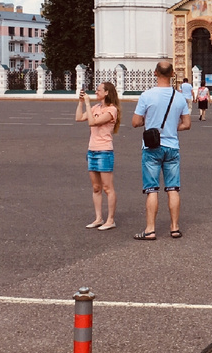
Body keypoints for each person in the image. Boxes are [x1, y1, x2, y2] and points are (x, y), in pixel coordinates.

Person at [131, 61, 191, 240]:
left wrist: (150, 125)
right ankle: (174, 227)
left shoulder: (146, 95)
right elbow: (187, 124)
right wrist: (171, 128)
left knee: (152, 189)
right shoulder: (179, 97)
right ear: (173, 74)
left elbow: (135, 122)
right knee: (173, 188)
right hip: (172, 146)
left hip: (151, 148)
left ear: (155, 73)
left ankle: (150, 229)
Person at [76, 81, 120, 231]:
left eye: (99, 90)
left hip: (104, 151)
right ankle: (98, 218)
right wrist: (81, 103)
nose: (96, 92)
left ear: (107, 92)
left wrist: (88, 104)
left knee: (108, 187)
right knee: (96, 187)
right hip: (92, 150)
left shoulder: (111, 110)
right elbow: (78, 118)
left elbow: (93, 122)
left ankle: (110, 220)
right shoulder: (96, 107)